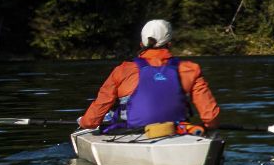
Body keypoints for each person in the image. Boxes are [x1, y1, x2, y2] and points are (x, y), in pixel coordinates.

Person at [79, 19, 221, 137]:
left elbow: (96, 114)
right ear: (170, 44)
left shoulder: (123, 70)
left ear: (142, 44)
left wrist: (85, 123)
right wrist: (209, 127)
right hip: (176, 132)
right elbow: (210, 117)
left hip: (131, 132)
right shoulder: (190, 69)